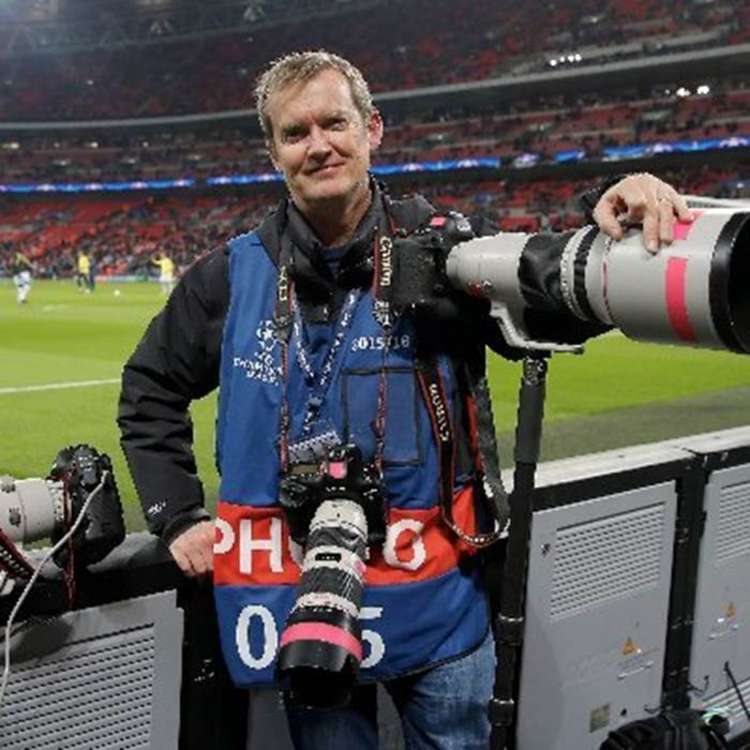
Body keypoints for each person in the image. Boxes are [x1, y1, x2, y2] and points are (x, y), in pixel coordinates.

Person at [118, 51, 693, 750]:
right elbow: (149, 388)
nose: (319, 144)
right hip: (300, 604)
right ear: (273, 152)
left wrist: (613, 224)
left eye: (335, 123)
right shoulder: (230, 277)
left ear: (373, 129)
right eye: (295, 133)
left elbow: (554, 305)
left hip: (440, 602)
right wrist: (176, 514)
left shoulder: (449, 251)